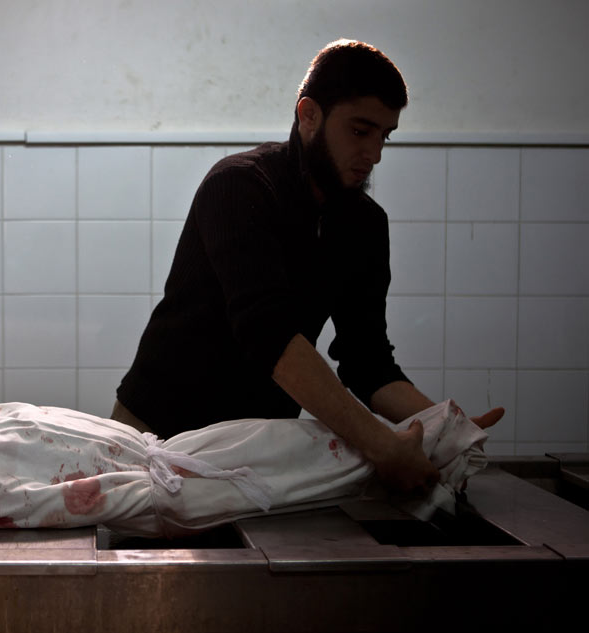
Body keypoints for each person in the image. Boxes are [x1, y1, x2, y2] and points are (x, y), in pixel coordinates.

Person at [113, 39, 503, 492]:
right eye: (360, 131)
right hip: (157, 437)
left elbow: (367, 361)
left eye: (384, 136)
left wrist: (441, 426)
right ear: (309, 115)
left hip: (256, 451)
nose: (374, 154)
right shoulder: (239, 187)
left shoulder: (365, 225)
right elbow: (270, 337)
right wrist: (380, 444)